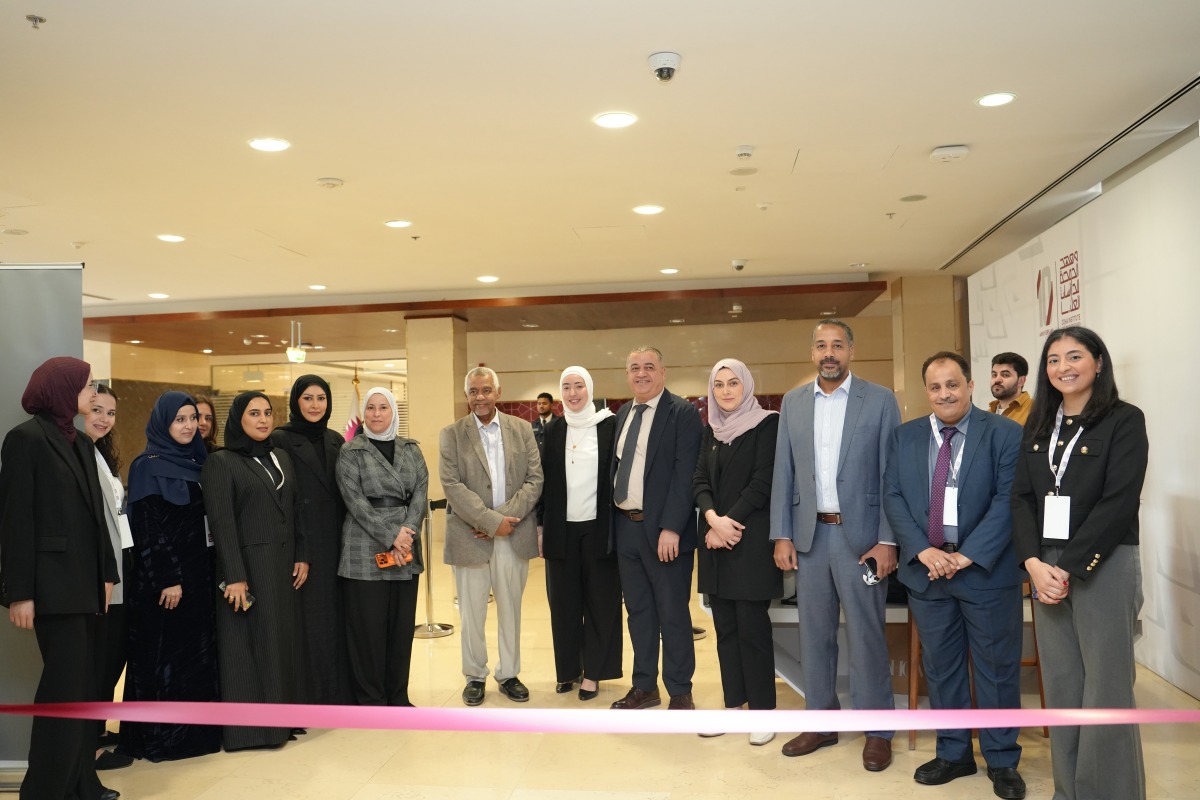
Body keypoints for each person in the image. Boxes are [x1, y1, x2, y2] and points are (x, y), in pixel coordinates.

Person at [1012, 326, 1148, 800]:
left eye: (1074, 357)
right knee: (1064, 686)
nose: (1063, 367)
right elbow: (1021, 498)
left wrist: (1065, 566)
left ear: (1098, 363)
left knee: (1106, 689)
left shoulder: (1124, 420)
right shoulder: (1039, 426)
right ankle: (1068, 792)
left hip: (1101, 563)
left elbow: (1119, 501)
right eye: (1053, 359)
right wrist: (1032, 562)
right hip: (1044, 568)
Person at [883, 352, 1026, 799]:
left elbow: (1009, 500)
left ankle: (1002, 760)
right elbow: (893, 497)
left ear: (969, 385)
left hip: (984, 570)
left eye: (953, 384)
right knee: (941, 668)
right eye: (935, 386)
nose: (944, 394)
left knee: (997, 670)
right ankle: (954, 752)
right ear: (926, 392)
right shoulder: (904, 437)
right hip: (927, 573)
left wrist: (966, 557)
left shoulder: (1004, 433)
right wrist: (924, 550)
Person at [770, 319, 900, 771]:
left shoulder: (880, 400)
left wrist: (887, 539)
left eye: (838, 345)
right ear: (812, 353)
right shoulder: (793, 402)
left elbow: (892, 476)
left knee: (866, 636)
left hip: (861, 540)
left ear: (851, 351)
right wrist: (781, 533)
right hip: (809, 539)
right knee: (815, 635)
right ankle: (821, 722)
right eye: (822, 345)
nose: (830, 353)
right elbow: (783, 472)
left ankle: (878, 729)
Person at [0, 357, 119, 800]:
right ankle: (44, 791)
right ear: (61, 389)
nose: (92, 393)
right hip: (51, 588)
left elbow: (96, 520)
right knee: (63, 692)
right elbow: (15, 522)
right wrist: (20, 593)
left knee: (86, 690)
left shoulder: (82, 443)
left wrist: (107, 575)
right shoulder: (25, 439)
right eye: (85, 386)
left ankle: (82, 784)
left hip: (88, 587)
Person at [118, 392, 221, 762]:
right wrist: (167, 578)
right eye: (180, 419)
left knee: (196, 657)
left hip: (199, 577)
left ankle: (197, 737)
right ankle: (162, 739)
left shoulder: (201, 461)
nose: (190, 425)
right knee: (162, 659)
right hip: (165, 583)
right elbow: (146, 528)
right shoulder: (147, 465)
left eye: (193, 418)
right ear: (164, 422)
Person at [202, 391, 308, 751]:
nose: (263, 420)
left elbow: (294, 509)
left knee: (279, 644)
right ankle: (251, 731)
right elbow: (222, 522)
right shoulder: (222, 462)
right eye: (254, 413)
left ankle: (282, 722)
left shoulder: (279, 456)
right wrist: (234, 575)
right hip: (248, 569)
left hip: (282, 567)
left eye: (267, 412)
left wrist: (301, 554)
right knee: (248, 647)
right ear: (238, 419)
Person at [440, 367, 543, 706]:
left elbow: (534, 480)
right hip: (469, 536)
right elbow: (452, 485)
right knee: (471, 612)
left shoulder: (522, 429)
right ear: (466, 395)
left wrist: (502, 521)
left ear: (498, 392)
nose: (479, 397)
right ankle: (474, 675)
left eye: (485, 390)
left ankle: (509, 673)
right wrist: (488, 521)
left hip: (513, 533)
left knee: (511, 609)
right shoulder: (452, 434)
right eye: (473, 391)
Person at [609, 346, 702, 711]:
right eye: (634, 368)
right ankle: (644, 686)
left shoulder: (682, 413)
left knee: (673, 613)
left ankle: (680, 690)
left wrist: (672, 528)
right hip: (627, 529)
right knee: (639, 613)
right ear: (627, 374)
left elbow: (686, 474)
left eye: (649, 367)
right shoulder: (623, 414)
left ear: (663, 372)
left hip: (664, 533)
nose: (641, 373)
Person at [693, 358, 781, 745]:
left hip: (749, 542)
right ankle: (734, 706)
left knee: (753, 629)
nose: (726, 391)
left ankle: (763, 712)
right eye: (719, 385)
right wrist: (713, 519)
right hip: (715, 542)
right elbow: (698, 480)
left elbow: (763, 482)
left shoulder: (767, 424)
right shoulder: (710, 430)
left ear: (746, 385)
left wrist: (727, 523)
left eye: (733, 383)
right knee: (725, 630)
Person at [335, 386, 428, 705]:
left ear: (393, 412)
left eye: (383, 407)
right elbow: (354, 502)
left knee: (401, 630)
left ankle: (398, 697)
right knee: (368, 632)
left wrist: (408, 530)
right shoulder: (351, 450)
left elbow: (420, 493)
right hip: (365, 549)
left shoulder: (411, 448)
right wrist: (393, 536)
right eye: (371, 408)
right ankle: (371, 701)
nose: (376, 414)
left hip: (405, 548)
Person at [540, 366, 622, 700]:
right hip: (562, 530)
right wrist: (541, 525)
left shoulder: (609, 425)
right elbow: (545, 481)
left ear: (589, 389)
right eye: (567, 387)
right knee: (563, 603)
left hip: (600, 529)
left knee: (600, 602)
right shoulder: (555, 429)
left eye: (579, 386)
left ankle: (595, 673)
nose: (573, 394)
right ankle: (568, 670)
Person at [271, 375, 351, 704]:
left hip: (338, 541)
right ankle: (312, 695)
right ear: (295, 402)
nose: (315, 405)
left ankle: (337, 690)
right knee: (309, 620)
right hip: (304, 543)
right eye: (308, 398)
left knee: (336, 618)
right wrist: (298, 548)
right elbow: (284, 499)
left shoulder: (335, 439)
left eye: (321, 398)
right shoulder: (281, 439)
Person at [83, 386, 135, 770]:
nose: (103, 418)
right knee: (100, 658)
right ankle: (90, 747)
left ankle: (98, 730)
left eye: (111, 412)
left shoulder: (100, 453)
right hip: (103, 570)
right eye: (96, 409)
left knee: (114, 654)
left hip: (124, 560)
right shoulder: (77, 453)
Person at [988, 353, 1032, 426]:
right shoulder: (987, 414)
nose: (997, 380)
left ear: (1021, 381)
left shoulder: (1035, 410)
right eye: (994, 375)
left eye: (1005, 375)